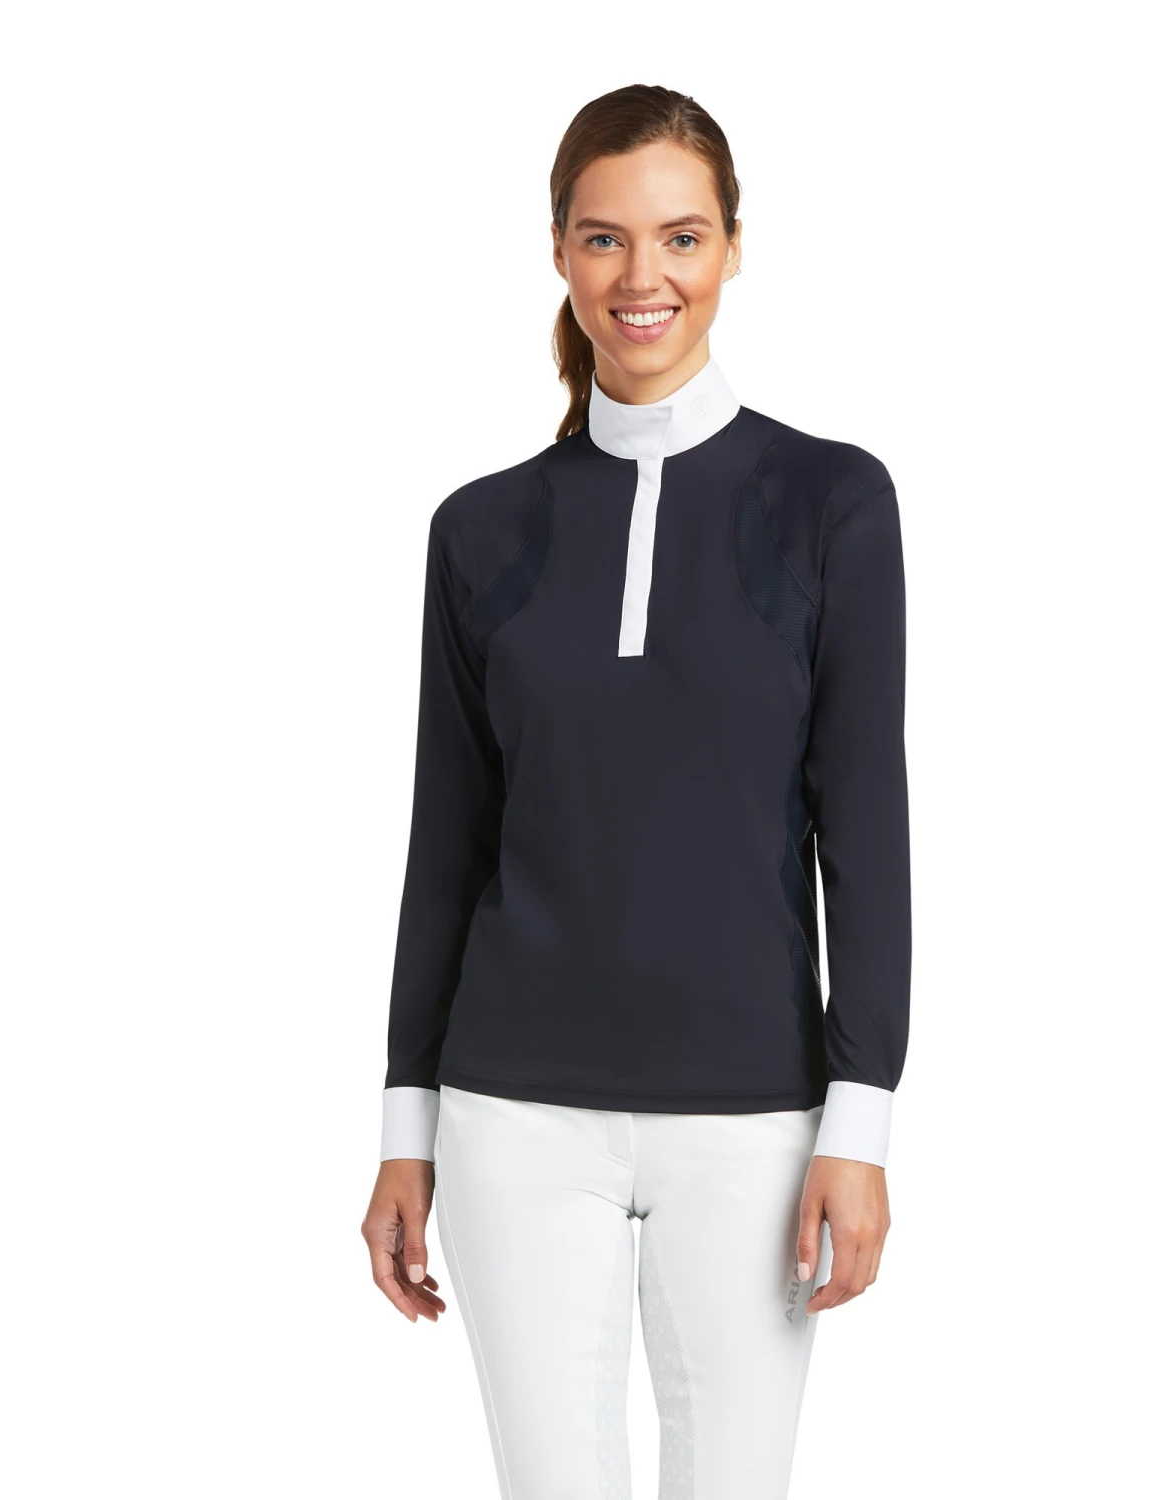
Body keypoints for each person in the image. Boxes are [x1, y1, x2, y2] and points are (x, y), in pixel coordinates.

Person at [360, 83, 910, 1498]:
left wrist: (859, 1124)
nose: (641, 276)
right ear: (559, 250)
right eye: (604, 238)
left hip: (755, 1122)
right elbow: (445, 847)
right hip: (510, 1118)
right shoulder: (479, 531)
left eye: (680, 236)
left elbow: (867, 836)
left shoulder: (834, 504)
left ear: (732, 247)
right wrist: (405, 1130)